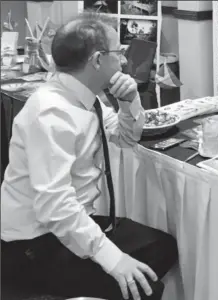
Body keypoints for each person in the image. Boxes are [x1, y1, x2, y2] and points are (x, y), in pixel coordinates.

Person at [1, 12, 177, 300]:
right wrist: (113, 260)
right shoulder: (51, 113)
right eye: (118, 53)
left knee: (161, 248)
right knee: (145, 287)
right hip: (34, 243)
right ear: (97, 60)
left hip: (72, 222)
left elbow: (124, 137)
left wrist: (129, 102)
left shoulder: (84, 95)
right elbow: (54, 206)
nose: (122, 61)